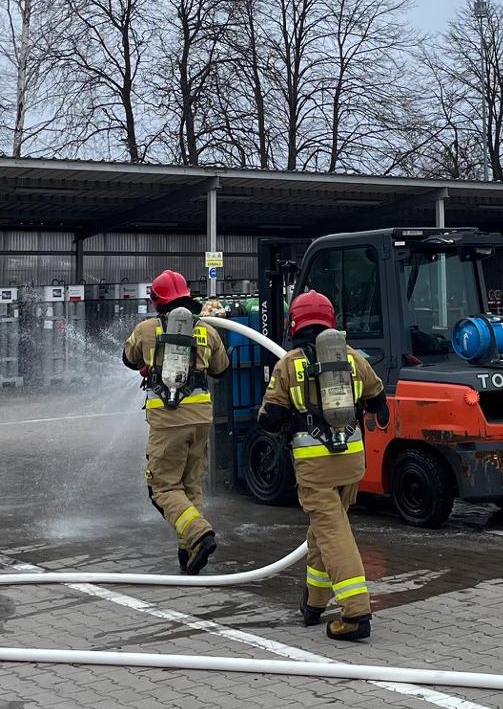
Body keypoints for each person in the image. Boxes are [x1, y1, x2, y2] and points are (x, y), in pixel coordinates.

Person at [257, 291, 389, 641]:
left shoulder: (289, 363)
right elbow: (378, 398)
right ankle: (314, 604)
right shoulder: (351, 357)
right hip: (351, 462)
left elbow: (269, 419)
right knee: (322, 531)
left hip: (316, 468)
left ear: (295, 321)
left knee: (333, 533)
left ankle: (356, 612)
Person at [122, 270, 230, 574]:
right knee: (190, 483)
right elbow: (221, 370)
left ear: (157, 301)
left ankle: (198, 533)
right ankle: (189, 553)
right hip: (201, 418)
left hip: (169, 420)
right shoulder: (207, 331)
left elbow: (129, 359)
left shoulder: (146, 329)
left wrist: (152, 360)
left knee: (162, 487)